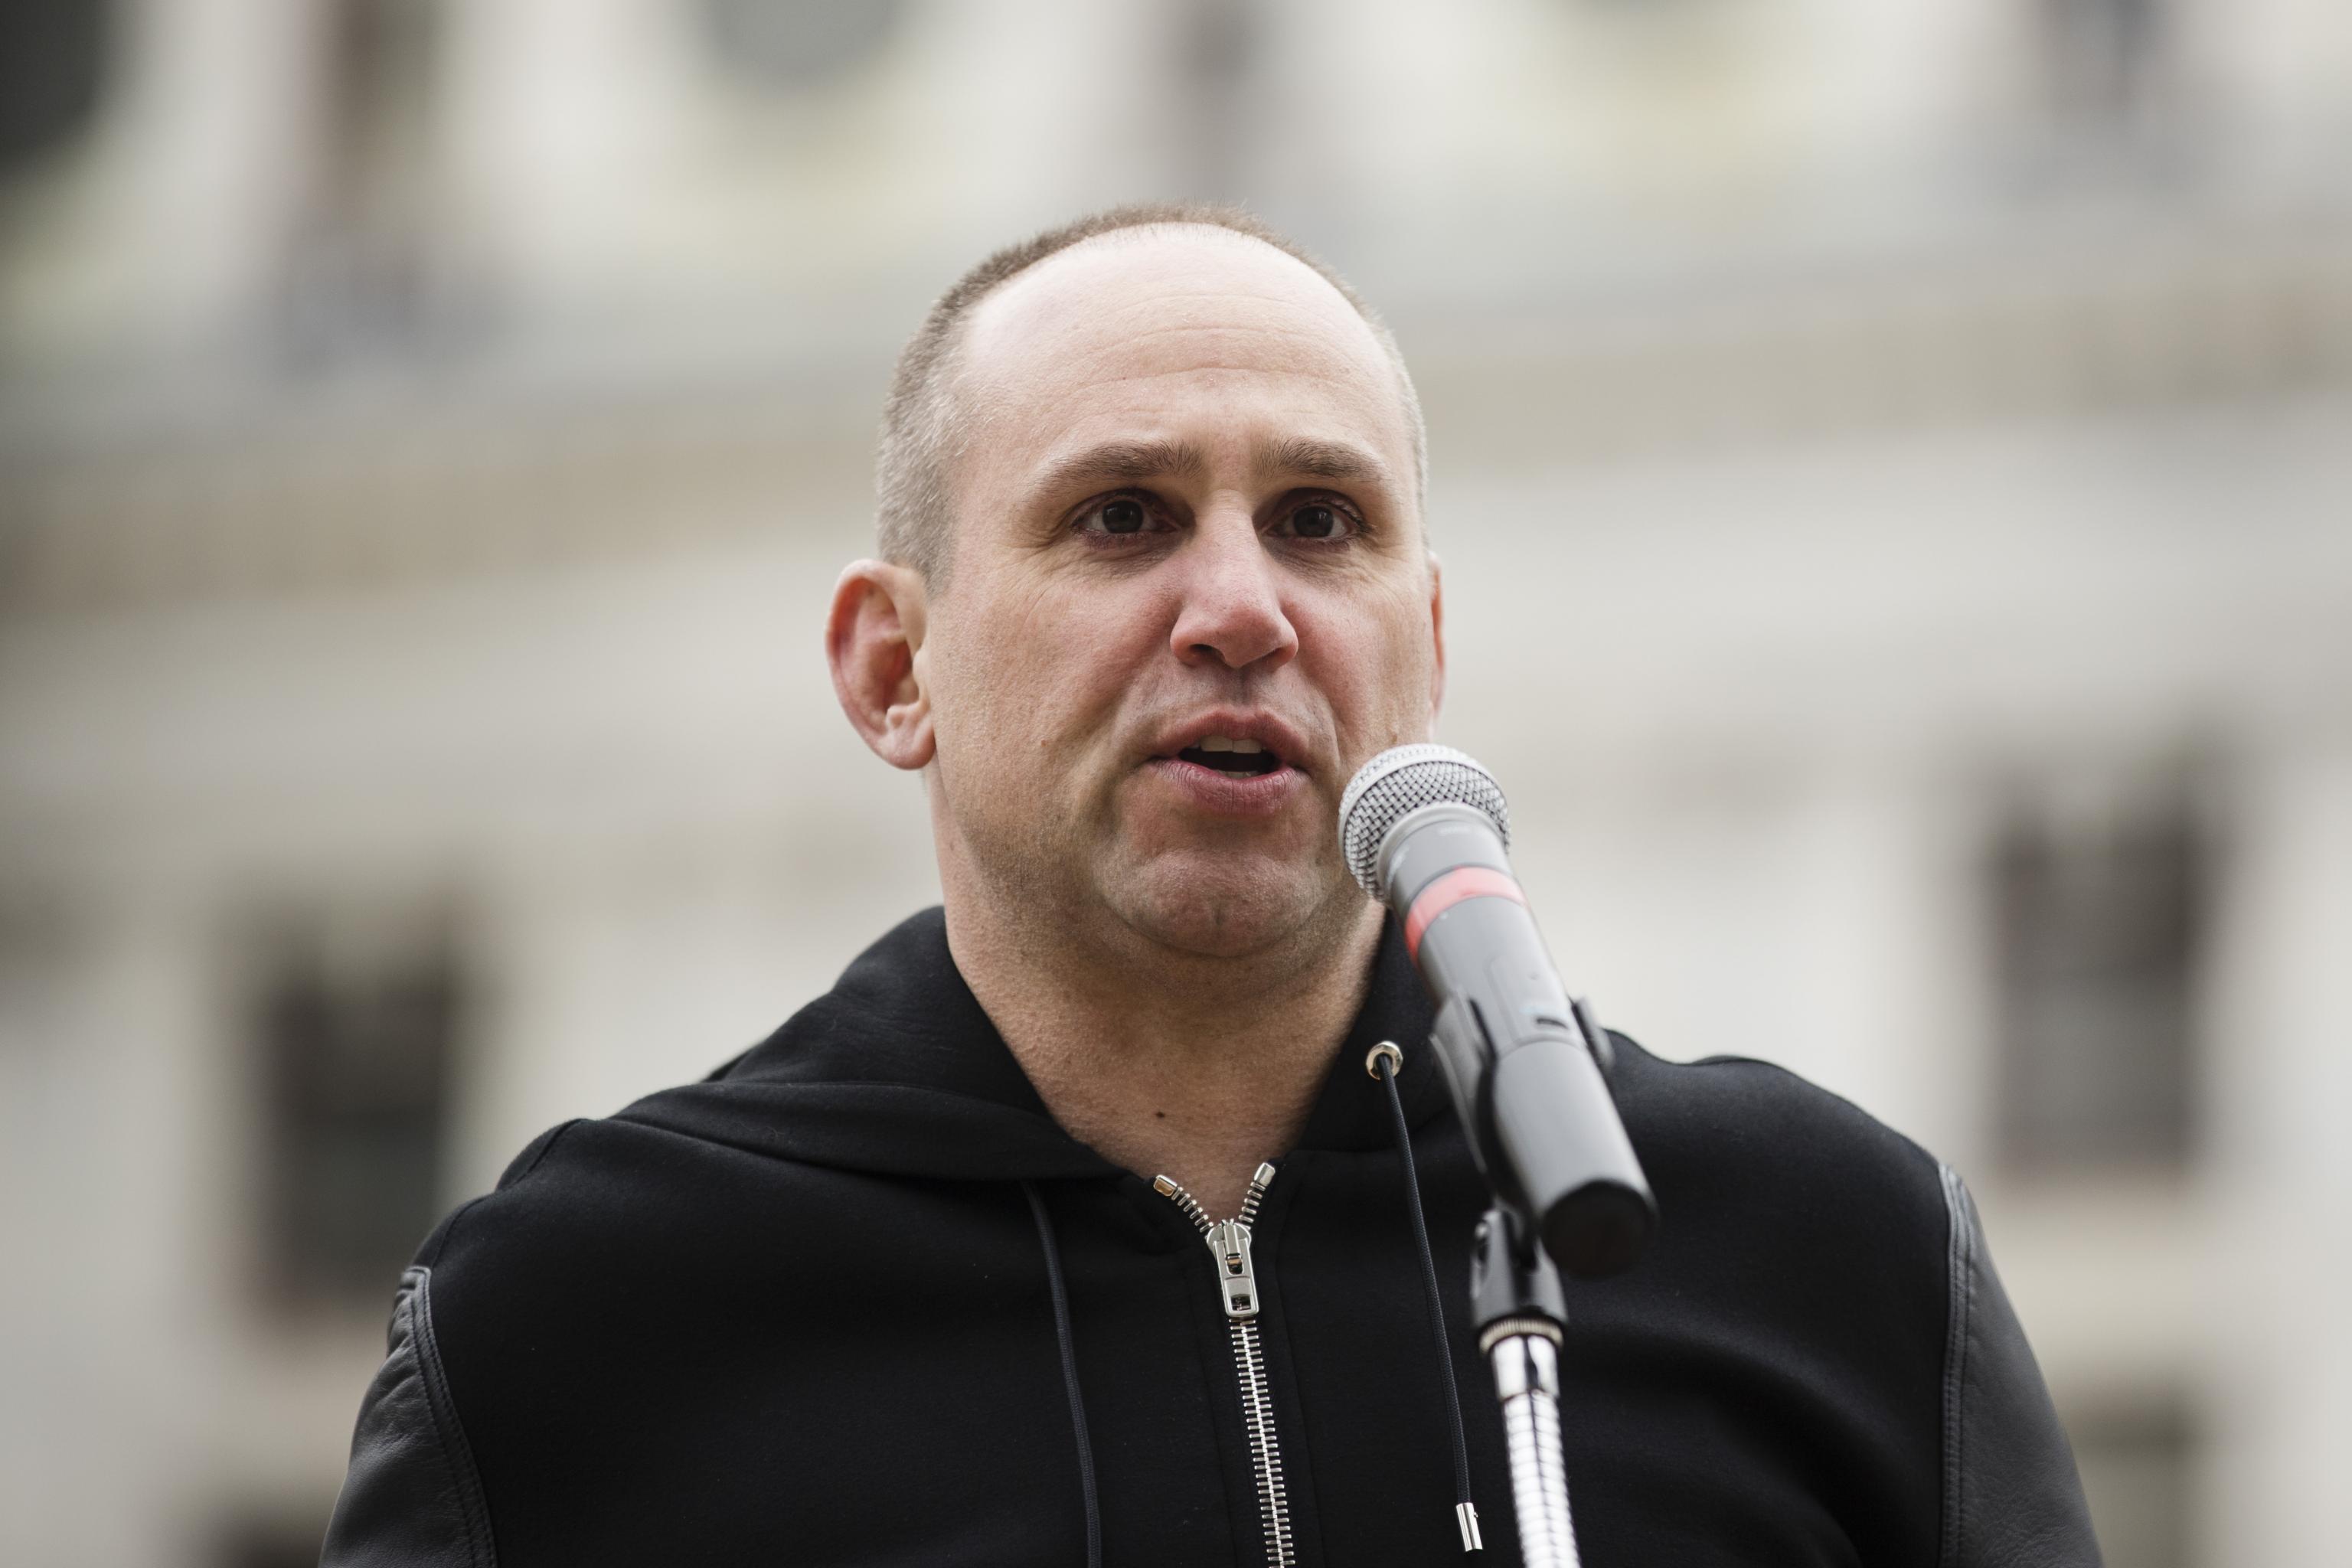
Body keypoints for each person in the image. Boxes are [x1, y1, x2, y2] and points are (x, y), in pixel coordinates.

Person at [320, 204, 2102, 1567]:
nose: (1244, 608)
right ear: (892, 669)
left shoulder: (1832, 1260)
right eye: (1122, 517)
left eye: (1321, 520)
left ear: (1425, 643)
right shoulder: (579, 1325)